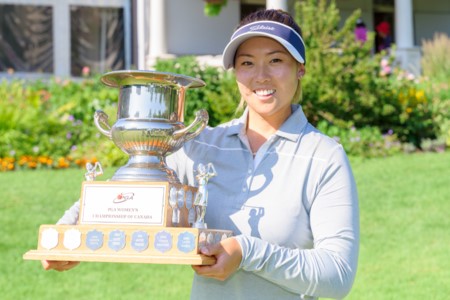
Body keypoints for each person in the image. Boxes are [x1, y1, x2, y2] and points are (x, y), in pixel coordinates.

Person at [43, 9, 359, 300]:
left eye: (276, 60)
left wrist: (246, 252)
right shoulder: (202, 147)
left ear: (299, 68)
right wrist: (68, 234)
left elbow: (337, 275)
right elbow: (130, 188)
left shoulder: (324, 157)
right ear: (235, 73)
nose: (260, 75)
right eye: (247, 63)